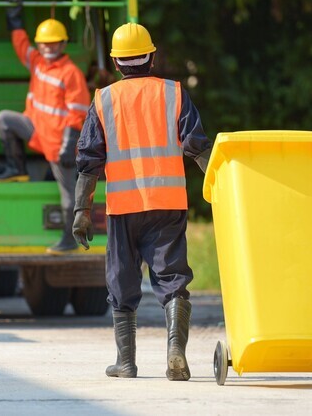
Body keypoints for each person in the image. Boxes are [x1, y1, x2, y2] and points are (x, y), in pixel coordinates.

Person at [72, 23, 213, 381]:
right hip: (167, 204)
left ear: (116, 63)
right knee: (172, 278)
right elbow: (197, 146)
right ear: (151, 57)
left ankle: (126, 362)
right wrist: (221, 185)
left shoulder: (103, 99)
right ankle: (175, 351)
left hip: (123, 208)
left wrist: (80, 212)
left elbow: (89, 160)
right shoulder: (174, 93)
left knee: (121, 282)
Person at [0, 0, 91, 255]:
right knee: (3, 119)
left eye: (53, 42)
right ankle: (17, 168)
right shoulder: (37, 62)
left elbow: (79, 112)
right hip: (35, 129)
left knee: (69, 196)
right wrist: (14, 20)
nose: (48, 47)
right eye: (44, 43)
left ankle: (69, 240)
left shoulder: (71, 73)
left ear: (63, 44)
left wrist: (71, 145)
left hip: (59, 143)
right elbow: (21, 46)